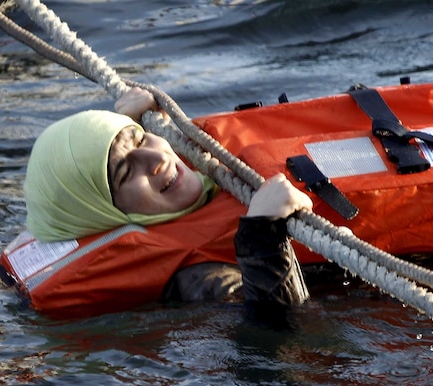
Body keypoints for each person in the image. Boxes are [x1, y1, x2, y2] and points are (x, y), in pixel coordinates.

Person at [22, 87, 313, 310]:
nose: (157, 159)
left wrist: (141, 124)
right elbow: (282, 337)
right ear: (101, 214)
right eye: (126, 173)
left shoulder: (184, 170)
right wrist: (264, 234)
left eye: (141, 139)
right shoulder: (196, 277)